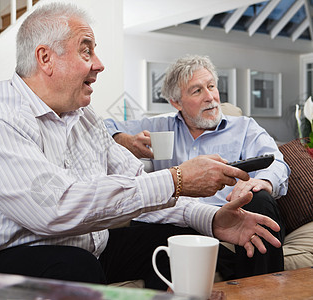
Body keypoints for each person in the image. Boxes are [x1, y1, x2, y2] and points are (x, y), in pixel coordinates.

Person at [0, 3, 281, 290]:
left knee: (171, 241)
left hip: (83, 248)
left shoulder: (84, 118)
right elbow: (54, 210)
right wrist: (177, 179)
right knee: (74, 267)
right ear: (45, 58)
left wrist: (211, 220)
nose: (99, 64)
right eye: (86, 50)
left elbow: (137, 179)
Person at [104, 54, 290, 279]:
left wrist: (263, 181)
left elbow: (276, 161)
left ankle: (264, 289)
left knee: (260, 198)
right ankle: (220, 263)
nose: (210, 97)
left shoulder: (244, 128)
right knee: (157, 236)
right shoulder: (160, 126)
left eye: (211, 86)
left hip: (229, 218)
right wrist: (125, 140)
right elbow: (102, 127)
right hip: (178, 221)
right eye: (197, 91)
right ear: (176, 103)